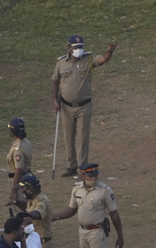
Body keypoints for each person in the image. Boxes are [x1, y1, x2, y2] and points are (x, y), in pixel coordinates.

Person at [51, 35, 118, 178]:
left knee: (83, 137)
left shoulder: (88, 59)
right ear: (69, 48)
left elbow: (102, 59)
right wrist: (55, 100)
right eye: (76, 47)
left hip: (84, 106)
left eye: (81, 47)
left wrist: (110, 52)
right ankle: (71, 166)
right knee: (68, 137)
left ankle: (83, 167)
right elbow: (55, 81)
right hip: (66, 107)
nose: (79, 50)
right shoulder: (61, 62)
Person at [5, 117, 32, 205]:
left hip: (20, 181)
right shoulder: (26, 141)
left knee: (21, 210)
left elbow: (19, 170)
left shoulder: (18, 149)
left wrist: (13, 190)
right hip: (27, 177)